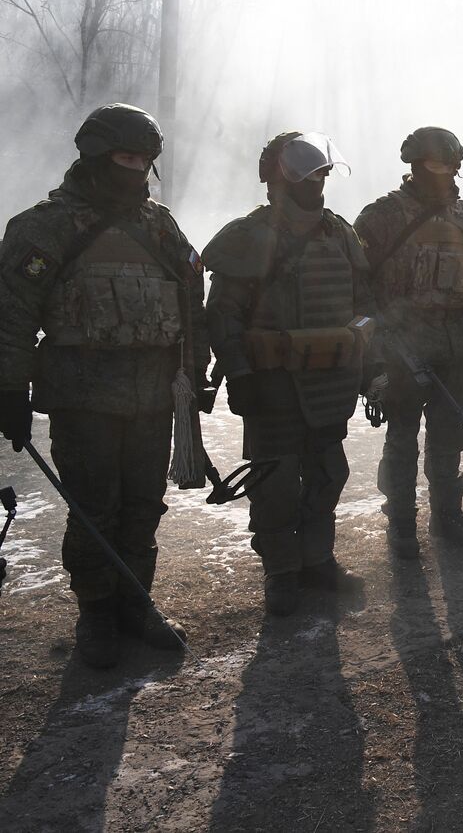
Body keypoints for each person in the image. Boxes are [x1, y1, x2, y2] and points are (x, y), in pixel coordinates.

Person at [0, 103, 206, 667]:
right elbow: (11, 314)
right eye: (125, 157)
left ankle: (135, 605)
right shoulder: (45, 227)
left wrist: (196, 373)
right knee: (94, 508)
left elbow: (192, 297)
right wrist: (10, 390)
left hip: (153, 399)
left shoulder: (157, 224)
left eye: (145, 160)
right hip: (83, 398)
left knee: (143, 507)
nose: (136, 169)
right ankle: (96, 614)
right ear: (94, 156)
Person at [203, 131, 373, 616]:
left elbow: (366, 306)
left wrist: (364, 356)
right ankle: (281, 572)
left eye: (323, 173)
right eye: (308, 173)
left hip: (330, 382)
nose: (318, 182)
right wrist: (239, 372)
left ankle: (317, 560)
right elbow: (224, 314)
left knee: (327, 475)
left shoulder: (340, 234)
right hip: (272, 382)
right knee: (275, 484)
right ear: (278, 177)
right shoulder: (249, 237)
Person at [355, 127, 463, 558]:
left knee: (450, 439)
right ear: (414, 165)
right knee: (402, 437)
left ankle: (448, 517)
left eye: (450, 166)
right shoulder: (382, 217)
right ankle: (402, 524)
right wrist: (375, 351)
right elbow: (358, 287)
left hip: (453, 348)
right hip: (401, 349)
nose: (444, 173)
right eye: (435, 165)